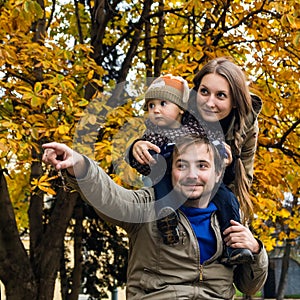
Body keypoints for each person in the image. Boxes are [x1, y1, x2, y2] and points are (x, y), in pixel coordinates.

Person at [42, 135, 268, 300]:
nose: (192, 175)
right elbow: (111, 198)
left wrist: (256, 250)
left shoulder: (230, 218)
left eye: (202, 166)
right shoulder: (150, 206)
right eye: (182, 165)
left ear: (218, 172)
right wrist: (79, 165)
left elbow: (249, 286)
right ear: (171, 171)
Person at [126, 74, 253, 265]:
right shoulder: (152, 134)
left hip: (201, 180)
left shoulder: (194, 125)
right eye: (151, 106)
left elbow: (211, 141)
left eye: (163, 104)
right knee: (160, 183)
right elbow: (143, 164)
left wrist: (224, 155)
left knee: (227, 198)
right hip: (169, 178)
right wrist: (136, 151)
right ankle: (167, 219)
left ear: (180, 109)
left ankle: (234, 245)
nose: (156, 111)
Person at [189, 57, 263, 221]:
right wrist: (137, 146)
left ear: (235, 101)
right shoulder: (180, 108)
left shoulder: (246, 125)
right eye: (204, 91)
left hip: (220, 192)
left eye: (221, 95)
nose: (209, 103)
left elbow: (243, 181)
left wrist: (229, 167)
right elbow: (154, 135)